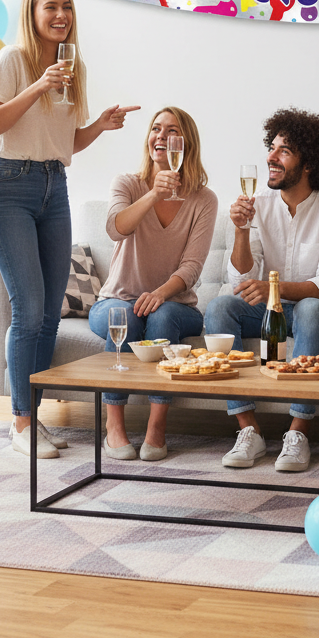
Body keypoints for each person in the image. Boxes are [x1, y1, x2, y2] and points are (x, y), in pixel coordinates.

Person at [0, 0, 140, 459]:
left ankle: (34, 418)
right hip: (10, 187)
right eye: (51, 7)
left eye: (67, 8)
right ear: (32, 13)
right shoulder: (13, 59)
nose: (61, 16)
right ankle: (20, 423)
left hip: (55, 187)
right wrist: (38, 85)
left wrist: (101, 126)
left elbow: (66, 142)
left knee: (50, 313)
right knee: (28, 308)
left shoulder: (76, 67)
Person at [203, 108, 319, 472]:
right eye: (271, 147)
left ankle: (298, 431)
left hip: (317, 315)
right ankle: (248, 429)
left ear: (309, 163)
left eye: (283, 151)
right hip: (268, 314)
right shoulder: (258, 206)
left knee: (311, 309)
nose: (270, 157)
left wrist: (276, 287)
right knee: (220, 307)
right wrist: (240, 230)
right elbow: (241, 281)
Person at [88, 107, 218, 461]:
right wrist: (153, 195)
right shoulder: (127, 184)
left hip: (176, 306)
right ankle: (114, 427)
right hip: (116, 301)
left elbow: (192, 266)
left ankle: (156, 427)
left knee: (160, 321)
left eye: (172, 131)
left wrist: (160, 294)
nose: (161, 136)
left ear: (186, 144)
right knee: (125, 317)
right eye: (156, 129)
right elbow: (116, 228)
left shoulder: (204, 200)